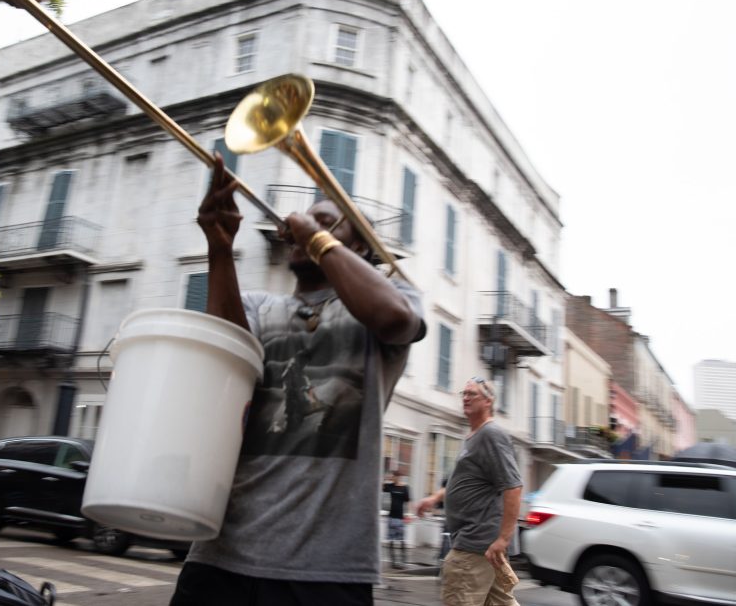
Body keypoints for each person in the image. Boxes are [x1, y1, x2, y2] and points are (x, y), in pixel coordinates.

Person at [169, 154, 426, 606]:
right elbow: (223, 362)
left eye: (325, 220)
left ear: (359, 249)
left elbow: (395, 320)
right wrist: (219, 245)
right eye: (306, 218)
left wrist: (313, 235)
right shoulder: (257, 306)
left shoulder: (395, 297)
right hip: (220, 558)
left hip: (327, 573)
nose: (302, 222)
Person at [416, 377, 523, 606]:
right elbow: (467, 482)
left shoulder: (491, 435)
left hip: (475, 543)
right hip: (484, 547)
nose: (465, 398)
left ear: (488, 401)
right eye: (463, 393)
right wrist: (435, 497)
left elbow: (513, 486)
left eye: (471, 394)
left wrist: (504, 538)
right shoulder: (474, 437)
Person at [383, 470, 411, 569]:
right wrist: (387, 479)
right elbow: (381, 486)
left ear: (399, 477)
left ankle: (403, 561)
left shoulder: (405, 488)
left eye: (395, 476)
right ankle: (393, 562)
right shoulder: (390, 486)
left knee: (401, 540)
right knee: (391, 541)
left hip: (400, 518)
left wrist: (408, 514)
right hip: (391, 517)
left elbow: (408, 502)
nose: (393, 478)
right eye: (393, 476)